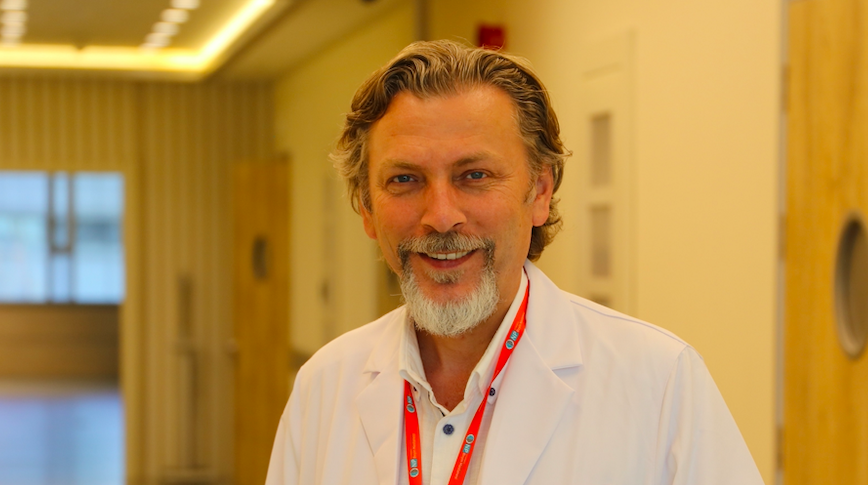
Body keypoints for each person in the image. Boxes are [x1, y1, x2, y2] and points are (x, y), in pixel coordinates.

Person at [266, 40, 763, 485]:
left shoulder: (659, 384)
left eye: (474, 175)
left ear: (540, 192)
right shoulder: (324, 387)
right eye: (404, 180)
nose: (441, 216)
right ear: (366, 209)